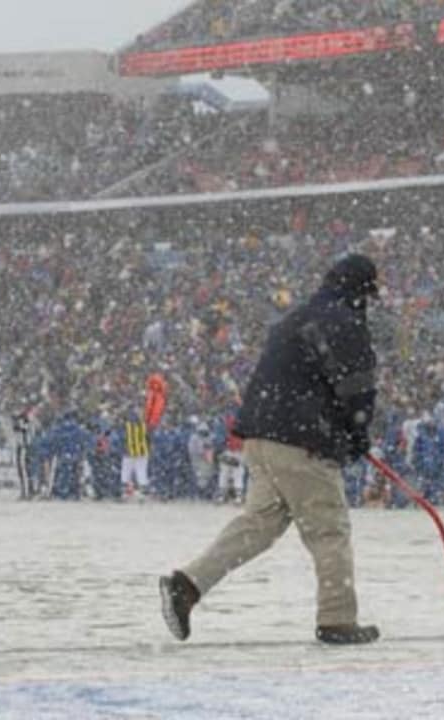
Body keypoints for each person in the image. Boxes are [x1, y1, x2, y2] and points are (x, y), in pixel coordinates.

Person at [160, 254, 381, 645]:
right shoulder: (344, 322)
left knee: (258, 525)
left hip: (260, 437)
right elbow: (356, 388)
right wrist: (357, 432)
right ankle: (337, 619)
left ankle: (188, 584)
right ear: (361, 291)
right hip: (302, 440)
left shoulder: (296, 318)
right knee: (329, 530)